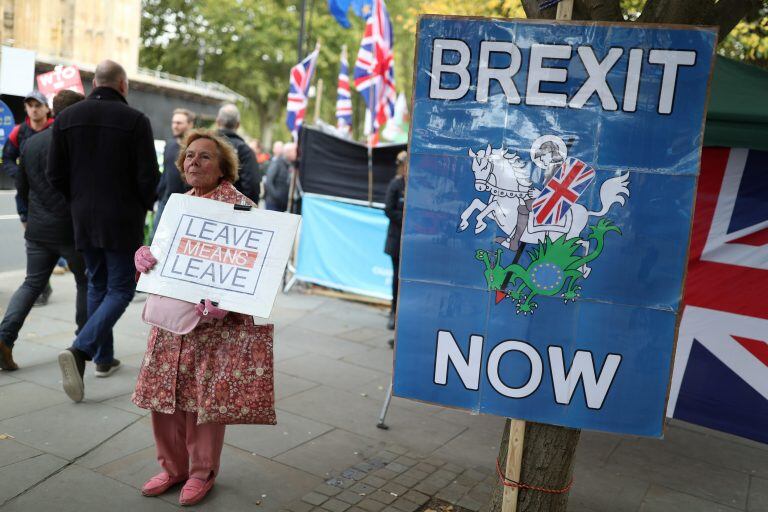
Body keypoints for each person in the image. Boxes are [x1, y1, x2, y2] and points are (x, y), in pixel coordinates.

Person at [132, 129, 275, 506]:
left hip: (213, 326)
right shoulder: (178, 203)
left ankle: (201, 472)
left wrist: (228, 302)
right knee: (162, 397)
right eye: (190, 156)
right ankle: (172, 468)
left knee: (203, 401)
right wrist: (144, 257)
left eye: (205, 156)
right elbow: (161, 255)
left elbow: (256, 268)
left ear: (222, 166)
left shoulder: (241, 207)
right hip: (169, 320)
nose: (195, 162)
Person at [48, 59, 160, 400]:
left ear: (95, 83)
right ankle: (82, 350)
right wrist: (142, 205)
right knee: (122, 289)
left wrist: (78, 200)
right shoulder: (135, 120)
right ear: (122, 85)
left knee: (97, 283)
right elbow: (147, 178)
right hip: (122, 218)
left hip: (83, 216)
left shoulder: (66, 118)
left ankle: (103, 357)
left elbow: (55, 173)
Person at [0, 91, 88, 371]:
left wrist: (30, 216)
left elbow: (22, 190)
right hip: (72, 231)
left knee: (30, 283)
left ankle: (4, 338)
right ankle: (81, 347)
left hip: (38, 229)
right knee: (85, 283)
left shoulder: (32, 143)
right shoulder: (78, 145)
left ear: (53, 110)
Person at [2, 91, 55, 306]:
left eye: (38, 105)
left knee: (53, 241)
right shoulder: (19, 132)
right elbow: (7, 158)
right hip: (27, 198)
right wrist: (20, 175)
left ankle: (41, 283)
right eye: (30, 105)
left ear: (46, 108)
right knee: (34, 242)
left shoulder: (55, 129)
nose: (33, 109)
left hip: (52, 198)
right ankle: (42, 284)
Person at [154, 108, 194, 234]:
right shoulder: (170, 144)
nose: (175, 126)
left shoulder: (195, 148)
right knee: (155, 242)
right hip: (165, 203)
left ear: (190, 124)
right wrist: (158, 195)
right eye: (173, 122)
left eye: (179, 123)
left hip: (185, 205)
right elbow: (165, 174)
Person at [215, 103, 258, 202]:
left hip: (201, 207)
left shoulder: (203, 146)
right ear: (238, 124)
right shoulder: (245, 150)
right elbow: (252, 184)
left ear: (217, 121)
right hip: (233, 210)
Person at [384, 151, 407, 335]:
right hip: (396, 238)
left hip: (411, 241)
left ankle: (403, 312)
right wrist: (406, 219)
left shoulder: (418, 185)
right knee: (396, 276)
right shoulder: (396, 184)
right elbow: (389, 210)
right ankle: (393, 310)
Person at [264, 142, 295, 212]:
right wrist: (277, 196)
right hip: (273, 204)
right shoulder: (277, 163)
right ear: (288, 152)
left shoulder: (289, 165)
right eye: (294, 151)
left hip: (282, 205)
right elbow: (268, 181)